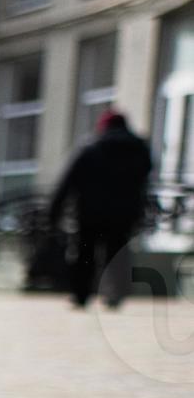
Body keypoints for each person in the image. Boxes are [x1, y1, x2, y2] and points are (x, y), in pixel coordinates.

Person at [53, 111, 156, 309]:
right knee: (117, 254)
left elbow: (68, 181)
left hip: (90, 211)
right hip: (124, 212)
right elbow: (146, 177)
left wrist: (55, 211)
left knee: (85, 253)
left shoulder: (92, 147)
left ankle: (81, 295)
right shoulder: (139, 149)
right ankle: (116, 293)